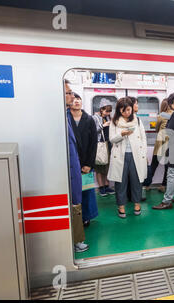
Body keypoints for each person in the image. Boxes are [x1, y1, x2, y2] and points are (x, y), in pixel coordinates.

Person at [108, 97, 147, 218]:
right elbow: (111, 139)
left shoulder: (138, 120)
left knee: (137, 181)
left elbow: (143, 138)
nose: (126, 112)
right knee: (120, 182)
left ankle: (137, 204)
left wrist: (144, 154)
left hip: (136, 156)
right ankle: (121, 206)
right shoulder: (114, 122)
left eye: (128, 109)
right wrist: (122, 134)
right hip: (120, 156)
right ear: (119, 110)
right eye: (123, 110)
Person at [64, 81, 88, 253]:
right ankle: (76, 241)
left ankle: (77, 239)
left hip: (74, 165)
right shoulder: (63, 116)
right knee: (73, 204)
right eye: (69, 93)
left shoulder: (66, 116)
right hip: (68, 168)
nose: (73, 97)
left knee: (76, 202)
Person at [69, 93, 99, 228]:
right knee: (71, 192)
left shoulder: (89, 119)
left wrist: (89, 164)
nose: (76, 101)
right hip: (70, 162)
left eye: (79, 99)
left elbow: (94, 143)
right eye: (74, 99)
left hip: (85, 162)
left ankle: (86, 216)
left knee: (86, 192)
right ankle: (72, 217)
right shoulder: (65, 118)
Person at [145, 99, 172, 192]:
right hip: (170, 142)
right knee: (167, 166)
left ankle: (147, 184)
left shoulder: (162, 115)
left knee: (154, 164)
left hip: (161, 141)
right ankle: (164, 186)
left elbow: (156, 128)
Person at [92, 103, 114, 197]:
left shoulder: (109, 118)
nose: (107, 113)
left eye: (109, 111)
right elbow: (93, 131)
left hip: (108, 143)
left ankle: (106, 185)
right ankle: (101, 187)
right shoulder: (95, 118)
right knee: (99, 167)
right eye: (106, 111)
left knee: (107, 167)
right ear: (101, 109)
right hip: (99, 144)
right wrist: (103, 125)